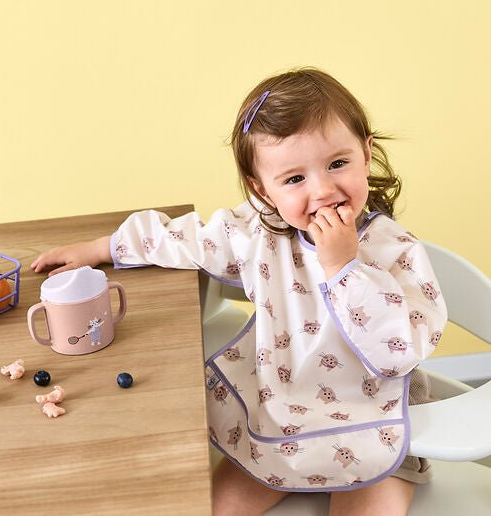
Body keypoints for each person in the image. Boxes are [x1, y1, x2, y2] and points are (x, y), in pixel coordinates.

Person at [31, 67, 447, 516]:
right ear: (262, 190)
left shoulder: (396, 251)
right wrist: (101, 248)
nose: (323, 190)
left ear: (366, 155)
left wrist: (345, 267)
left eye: (337, 164)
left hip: (377, 415)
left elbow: (398, 351)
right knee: (210, 506)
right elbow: (185, 239)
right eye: (294, 179)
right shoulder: (257, 234)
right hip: (283, 416)